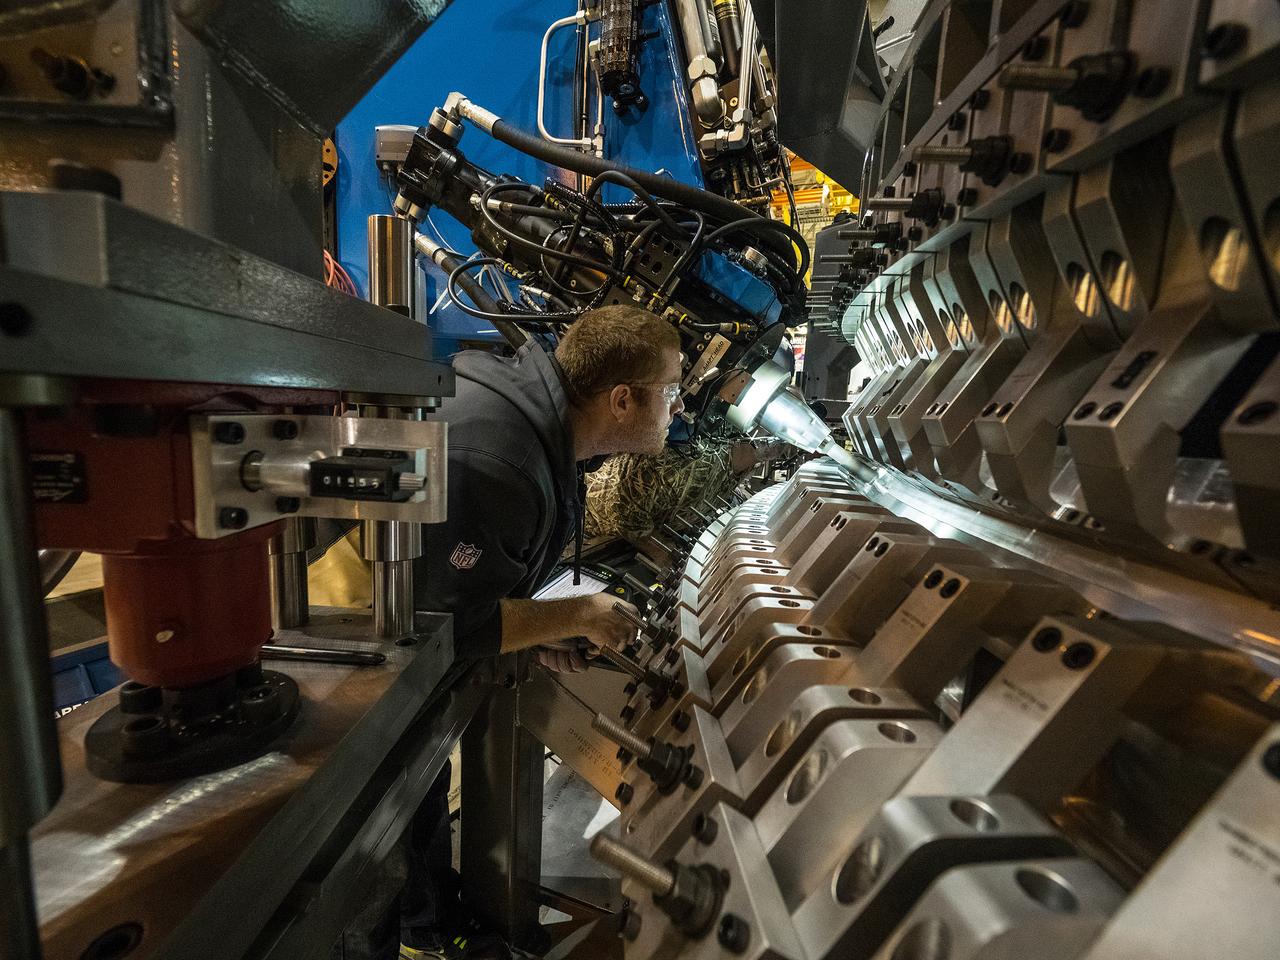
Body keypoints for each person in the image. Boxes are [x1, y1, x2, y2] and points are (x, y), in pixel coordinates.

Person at [340, 305, 686, 960]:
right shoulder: (500, 458)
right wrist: (577, 616)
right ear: (621, 399)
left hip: (401, 643)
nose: (677, 406)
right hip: (356, 657)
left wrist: (535, 632)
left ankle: (432, 930)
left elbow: (476, 591)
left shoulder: (538, 425)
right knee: (382, 847)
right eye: (669, 390)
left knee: (420, 806)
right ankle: (414, 936)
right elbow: (444, 620)